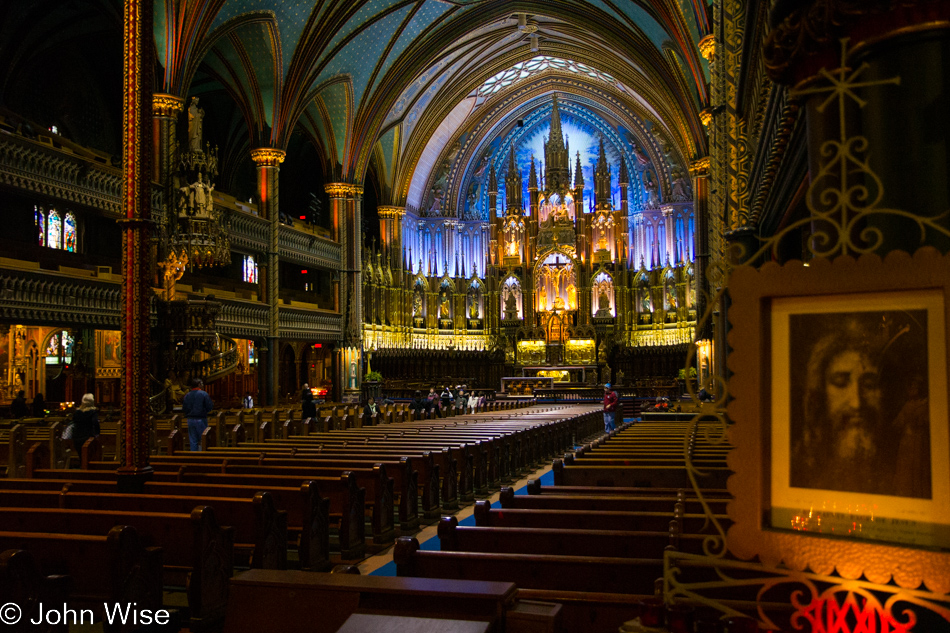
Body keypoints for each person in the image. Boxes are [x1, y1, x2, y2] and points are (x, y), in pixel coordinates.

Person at [791, 318, 929, 498]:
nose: (857, 402)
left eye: (869, 384)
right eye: (840, 382)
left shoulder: (909, 459)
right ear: (821, 393)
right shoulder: (795, 466)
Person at [182, 378, 213, 451]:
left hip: (190, 420)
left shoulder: (187, 395)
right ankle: (202, 458)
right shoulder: (203, 394)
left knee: (193, 441)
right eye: (202, 383)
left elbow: (184, 408)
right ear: (199, 384)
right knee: (203, 439)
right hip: (200, 419)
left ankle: (194, 458)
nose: (202, 385)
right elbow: (209, 406)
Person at [69, 393, 100, 461]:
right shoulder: (92, 412)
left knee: (81, 456)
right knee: (89, 458)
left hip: (77, 437)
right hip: (88, 437)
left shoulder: (77, 412)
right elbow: (95, 423)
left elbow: (73, 423)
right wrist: (97, 434)